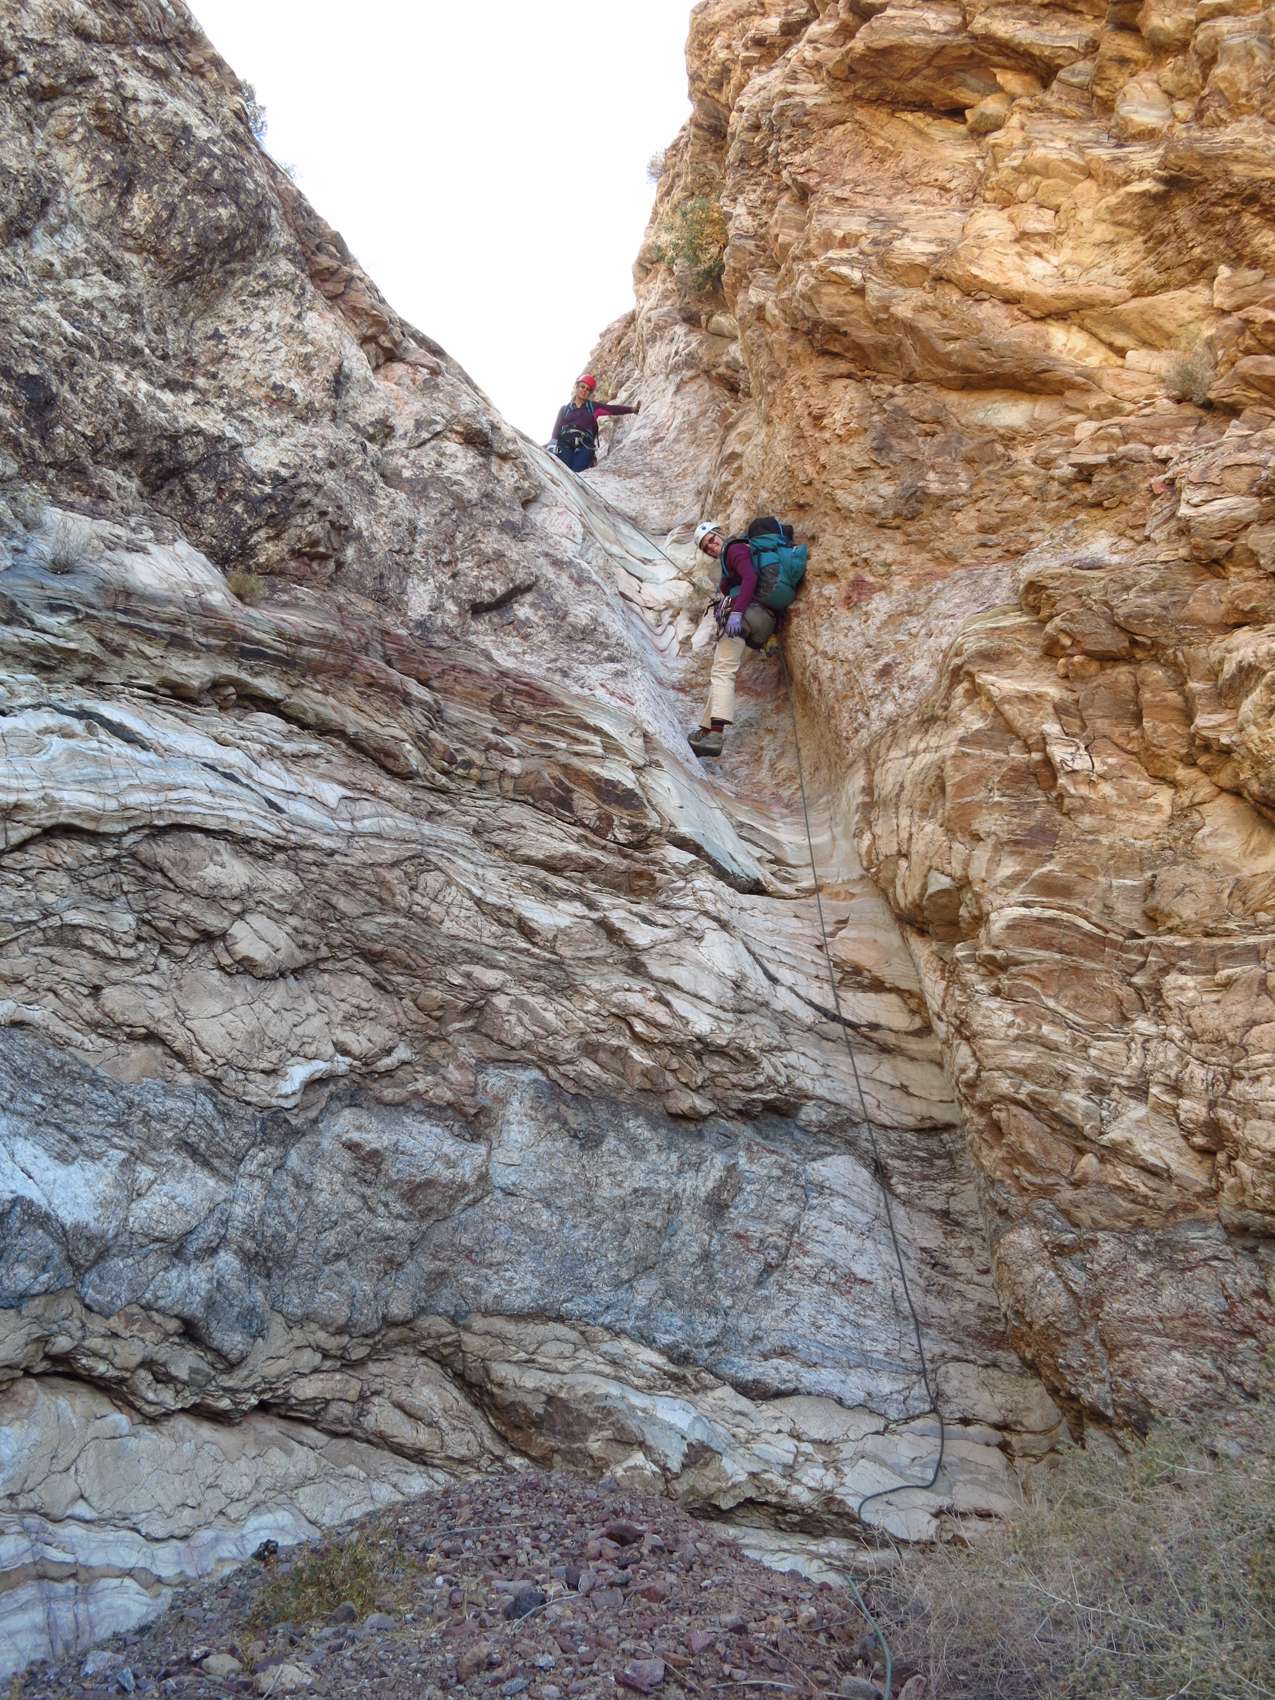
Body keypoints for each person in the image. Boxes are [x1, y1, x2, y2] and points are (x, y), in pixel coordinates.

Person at [688, 521, 777, 758]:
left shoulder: (734, 549)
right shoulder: (735, 556)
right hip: (763, 622)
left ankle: (715, 735)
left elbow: (750, 578)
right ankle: (706, 729)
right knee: (723, 670)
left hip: (745, 618)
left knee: (722, 672)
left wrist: (736, 612)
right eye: (706, 547)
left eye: (711, 540)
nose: (711, 546)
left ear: (720, 534)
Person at [550, 374, 639, 472]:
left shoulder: (593, 407)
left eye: (588, 389)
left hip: (584, 445)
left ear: (590, 393)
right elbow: (557, 427)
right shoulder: (565, 409)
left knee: (577, 473)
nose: (584, 390)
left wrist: (632, 409)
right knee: (563, 471)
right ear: (577, 387)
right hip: (564, 443)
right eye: (582, 387)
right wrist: (552, 444)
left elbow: (612, 409)